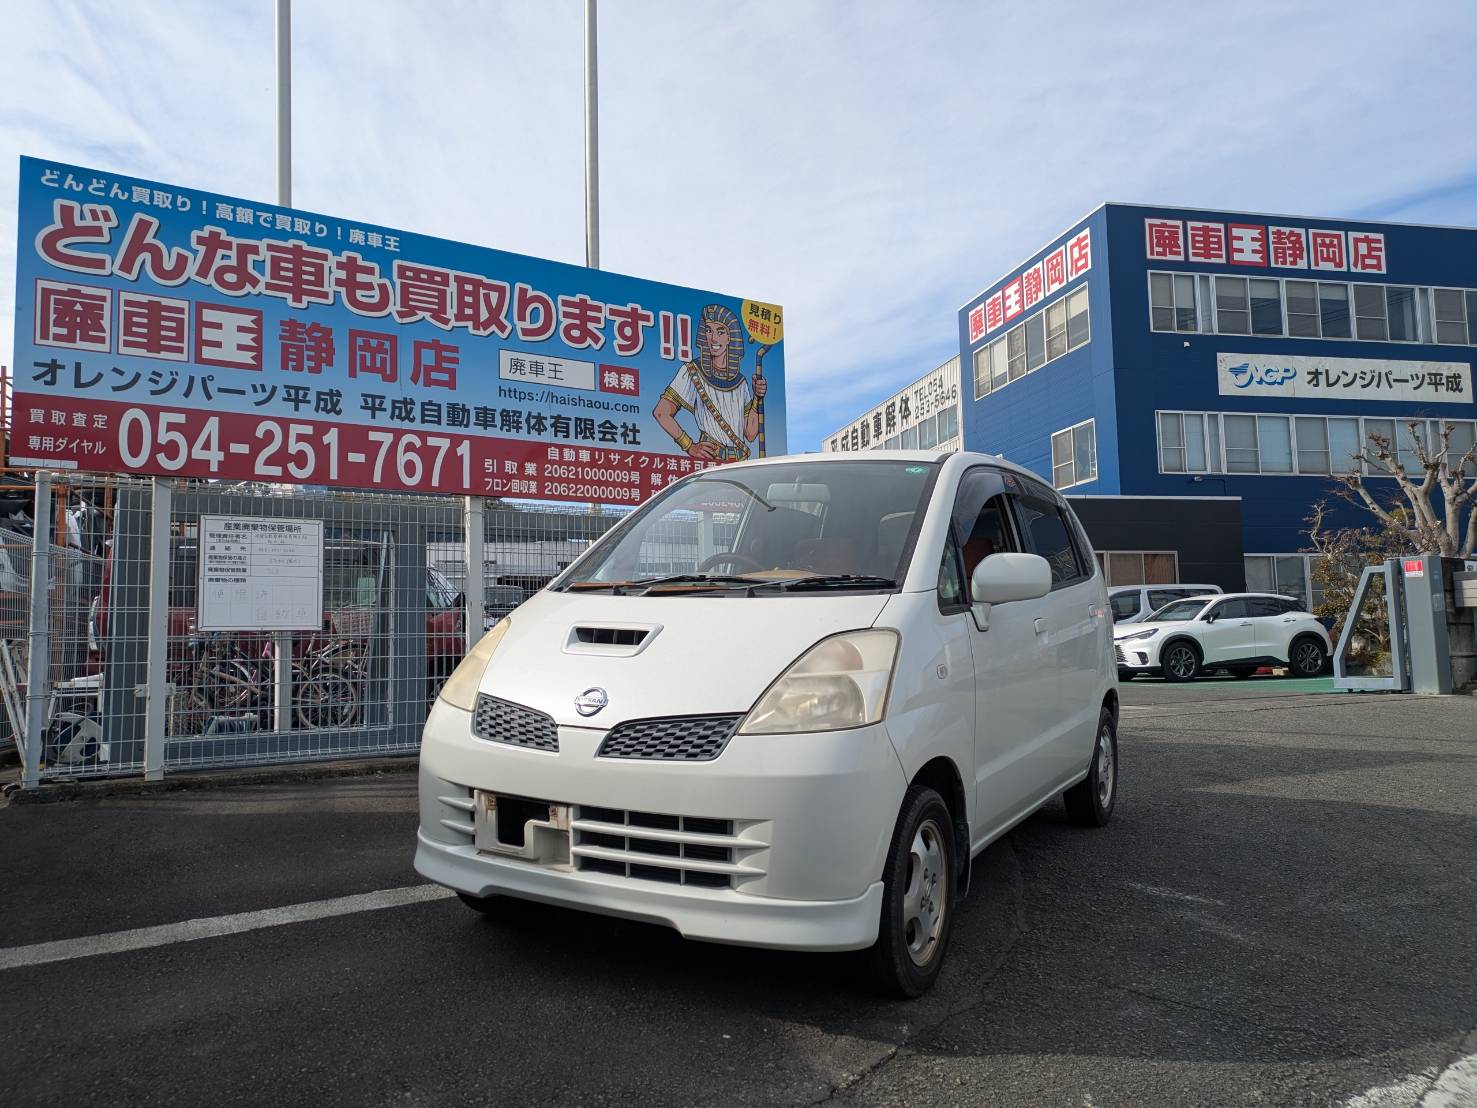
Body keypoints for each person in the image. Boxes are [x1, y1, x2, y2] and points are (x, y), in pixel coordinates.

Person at [653, 303, 766, 461]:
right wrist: (689, 446)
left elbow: (751, 433)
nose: (713, 338)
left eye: (720, 332)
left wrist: (757, 398)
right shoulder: (692, 372)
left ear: (730, 337)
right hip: (710, 461)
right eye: (708, 330)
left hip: (739, 463)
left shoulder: (740, 382)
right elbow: (661, 412)